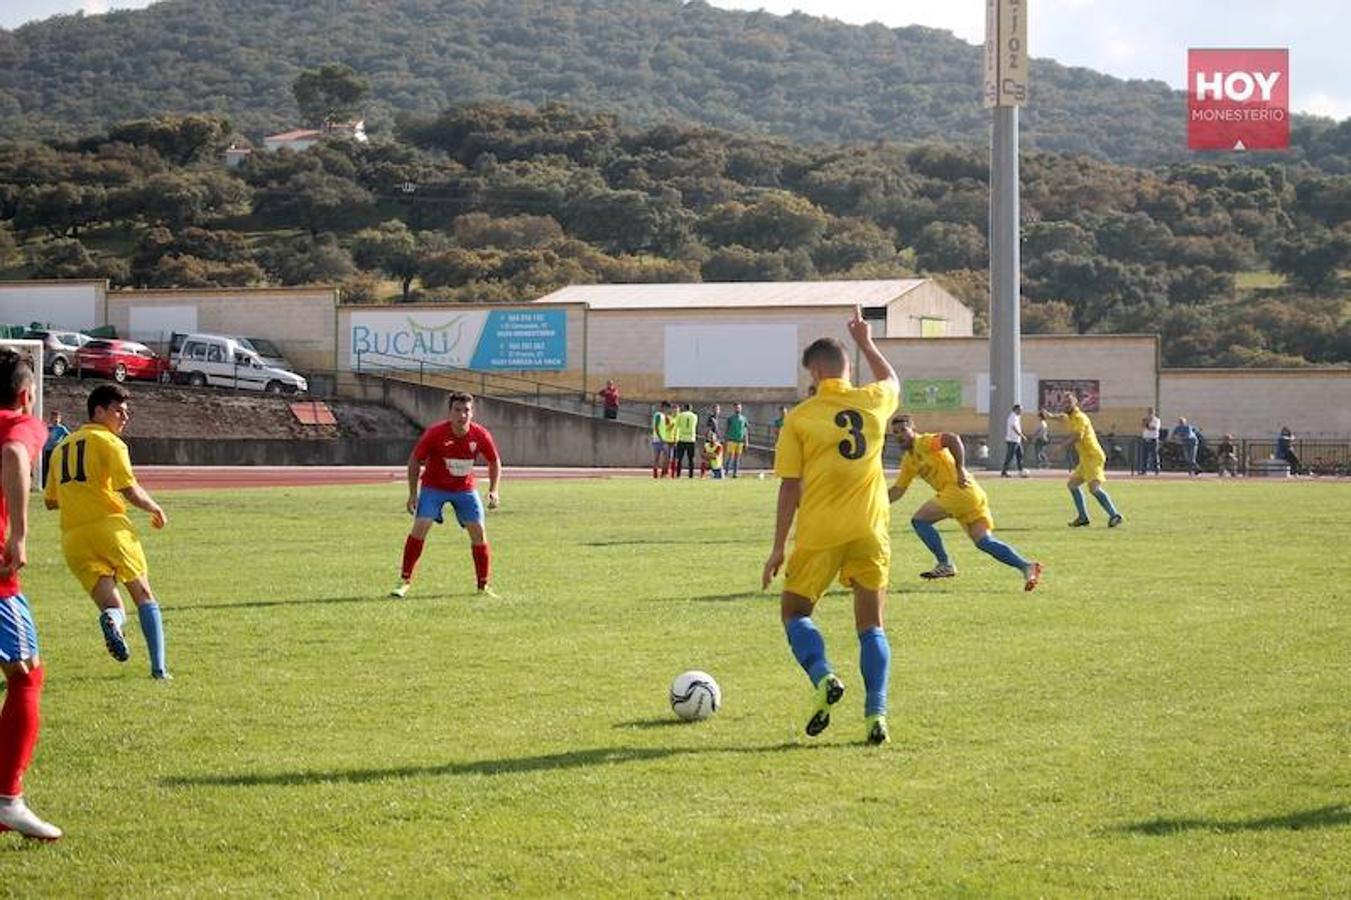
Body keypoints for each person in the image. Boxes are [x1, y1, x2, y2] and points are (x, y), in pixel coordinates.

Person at [761, 306, 899, 746]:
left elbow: (789, 488)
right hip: (869, 529)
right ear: (846, 366)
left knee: (795, 612)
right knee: (871, 626)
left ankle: (823, 677)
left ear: (816, 371)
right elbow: (893, 380)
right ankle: (876, 714)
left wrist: (778, 547)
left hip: (820, 532)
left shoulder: (800, 417)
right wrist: (866, 341)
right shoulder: (874, 402)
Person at [44, 384, 170, 679]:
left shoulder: (61, 448)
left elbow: (51, 502)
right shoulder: (111, 443)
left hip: (74, 538)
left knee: (114, 608)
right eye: (118, 411)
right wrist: (155, 508)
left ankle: (112, 621)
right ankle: (159, 670)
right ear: (98, 411)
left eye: (127, 412)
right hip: (111, 529)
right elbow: (129, 489)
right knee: (144, 597)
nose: (124, 417)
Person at [0, 350, 62, 841]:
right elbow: (15, 455)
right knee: (26, 673)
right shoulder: (22, 422)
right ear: (25, 393)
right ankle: (7, 799)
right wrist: (19, 533)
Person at [888, 416, 1042, 590]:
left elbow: (953, 439)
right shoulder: (908, 461)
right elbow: (898, 491)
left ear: (912, 429)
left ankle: (945, 563)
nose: (899, 435)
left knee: (920, 520)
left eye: (903, 430)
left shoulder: (924, 442)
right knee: (984, 542)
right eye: (895, 432)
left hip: (959, 490)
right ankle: (1026, 566)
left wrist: (960, 468)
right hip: (969, 495)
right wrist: (876, 503)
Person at [391, 391, 501, 599]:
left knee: (478, 532)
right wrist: (413, 494)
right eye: (457, 410)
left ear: (472, 413)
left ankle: (483, 586)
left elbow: (494, 461)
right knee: (420, 526)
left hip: (465, 489)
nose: (462, 415)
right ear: (450, 412)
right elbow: (415, 461)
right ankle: (404, 581)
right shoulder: (434, 434)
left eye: (466, 410)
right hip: (434, 488)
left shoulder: (480, 435)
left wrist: (494, 490)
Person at [1044, 393, 1123, 528]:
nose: (1066, 405)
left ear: (1075, 403)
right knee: (1072, 485)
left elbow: (1078, 435)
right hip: (1085, 458)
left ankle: (1114, 515)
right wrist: (1051, 416)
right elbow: (1063, 418)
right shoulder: (1070, 416)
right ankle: (1083, 517)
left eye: (1069, 402)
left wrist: (1060, 447)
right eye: (1064, 402)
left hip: (1093, 456)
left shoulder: (1080, 417)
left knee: (1094, 488)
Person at [40, 410, 69, 487]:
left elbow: (69, 437)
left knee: (57, 466)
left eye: (57, 418)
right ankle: (44, 484)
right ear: (51, 419)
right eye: (54, 418)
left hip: (57, 450)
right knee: (46, 467)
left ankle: (57, 482)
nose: (55, 420)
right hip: (47, 450)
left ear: (60, 419)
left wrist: (62, 443)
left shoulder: (62, 428)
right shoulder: (48, 428)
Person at [1000, 404, 1028, 477]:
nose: (1021, 411)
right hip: (1012, 440)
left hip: (1017, 440)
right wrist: (1022, 435)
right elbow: (1014, 427)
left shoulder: (1017, 417)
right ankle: (1004, 471)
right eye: (1020, 410)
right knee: (1010, 456)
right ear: (1016, 409)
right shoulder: (1013, 417)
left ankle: (1020, 470)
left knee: (1020, 455)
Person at [723, 403, 749, 478]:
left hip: (740, 441)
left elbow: (746, 430)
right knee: (730, 457)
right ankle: (726, 472)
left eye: (739, 408)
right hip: (731, 440)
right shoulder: (730, 419)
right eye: (736, 408)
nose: (737, 409)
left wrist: (746, 441)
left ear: (741, 409)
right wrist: (725, 440)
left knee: (737, 458)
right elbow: (727, 430)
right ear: (734, 409)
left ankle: (735, 473)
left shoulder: (744, 419)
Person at [673, 403, 699, 479]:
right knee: (691, 459)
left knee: (679, 458)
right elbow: (695, 426)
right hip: (691, 439)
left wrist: (675, 438)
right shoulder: (695, 416)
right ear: (691, 408)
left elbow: (676, 427)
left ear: (684, 408)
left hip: (682, 439)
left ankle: (678, 475)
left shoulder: (680, 415)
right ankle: (691, 475)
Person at [650, 401, 672, 479]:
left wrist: (669, 424)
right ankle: (656, 474)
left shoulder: (663, 416)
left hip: (662, 439)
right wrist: (660, 438)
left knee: (666, 457)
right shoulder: (658, 415)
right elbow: (656, 427)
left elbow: (665, 427)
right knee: (657, 458)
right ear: (662, 407)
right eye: (666, 408)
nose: (667, 410)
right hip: (658, 440)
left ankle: (663, 473)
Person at [659, 402, 680, 478]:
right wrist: (671, 426)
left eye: (677, 411)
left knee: (675, 459)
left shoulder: (679, 418)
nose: (676, 412)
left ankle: (673, 474)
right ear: (672, 411)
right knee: (668, 458)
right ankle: (664, 473)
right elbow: (665, 428)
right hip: (669, 441)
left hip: (676, 440)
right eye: (674, 410)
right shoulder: (668, 418)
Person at [1138, 407, 1161, 475]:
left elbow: (1154, 428)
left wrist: (1147, 425)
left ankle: (1157, 469)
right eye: (1148, 412)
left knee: (1154, 455)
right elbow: (1142, 426)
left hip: (1153, 439)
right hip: (1146, 438)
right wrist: (1146, 423)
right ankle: (1144, 470)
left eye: (1151, 412)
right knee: (1144, 455)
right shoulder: (1145, 419)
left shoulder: (1156, 420)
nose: (1149, 414)